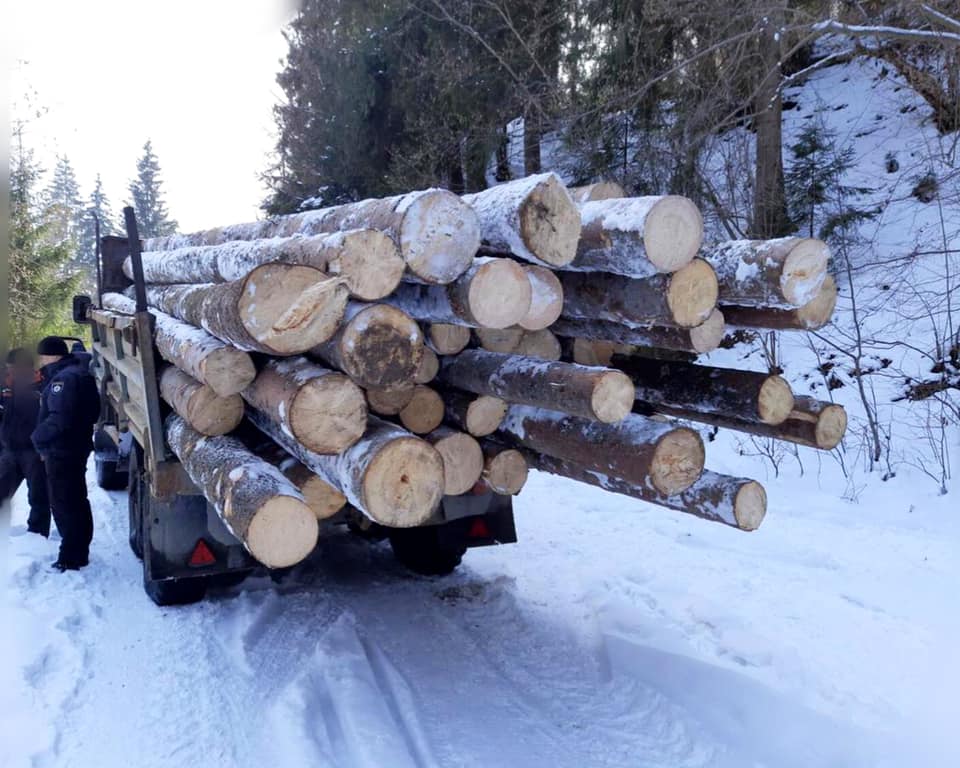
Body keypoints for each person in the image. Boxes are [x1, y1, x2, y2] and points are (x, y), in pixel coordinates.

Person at [31, 337, 100, 571]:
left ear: (51, 355)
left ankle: (70, 557)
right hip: (72, 447)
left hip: (63, 450)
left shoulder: (64, 379)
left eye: (41, 356)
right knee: (76, 500)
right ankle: (78, 551)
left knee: (65, 503)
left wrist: (37, 437)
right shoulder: (75, 373)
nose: (39, 360)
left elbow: (59, 418)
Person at [0, 348, 50, 536]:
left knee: (38, 496)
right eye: (8, 368)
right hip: (9, 449)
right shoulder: (5, 384)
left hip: (33, 451)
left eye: (12, 368)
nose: (9, 371)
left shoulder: (41, 385)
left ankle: (37, 535)